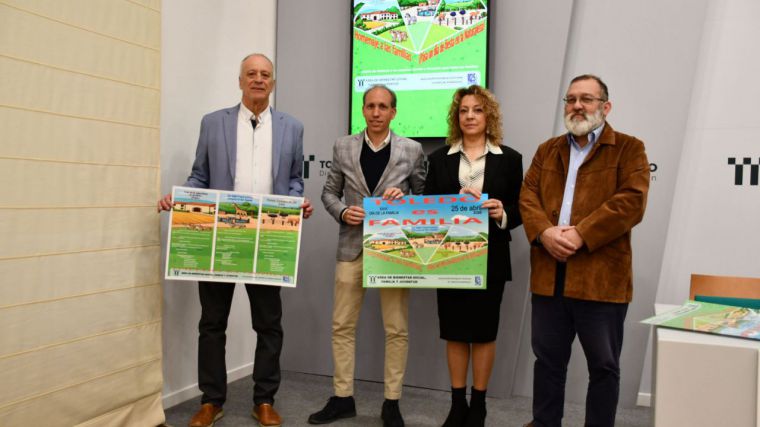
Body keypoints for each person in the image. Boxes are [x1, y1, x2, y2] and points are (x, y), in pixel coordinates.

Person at [157, 53, 313, 427]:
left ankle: (264, 400)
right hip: (220, 236)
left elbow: (295, 178)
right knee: (212, 323)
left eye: (265, 74)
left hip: (268, 238)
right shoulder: (213, 123)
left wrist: (296, 201)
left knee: (269, 324)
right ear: (240, 81)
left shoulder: (292, 127)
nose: (258, 79)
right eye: (251, 74)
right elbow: (200, 175)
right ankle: (212, 401)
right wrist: (180, 198)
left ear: (273, 83)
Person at [519, 74, 649, 427]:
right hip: (550, 275)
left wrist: (581, 234)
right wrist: (544, 232)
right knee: (547, 362)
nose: (577, 106)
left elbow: (632, 201)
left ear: (605, 107)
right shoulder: (547, 150)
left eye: (587, 99)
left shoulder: (629, 148)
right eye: (571, 99)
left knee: (604, 367)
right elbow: (527, 196)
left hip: (601, 280)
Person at [310, 85, 425, 427]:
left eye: (383, 106)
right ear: (363, 110)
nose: (376, 112)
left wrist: (406, 201)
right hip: (352, 246)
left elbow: (424, 198)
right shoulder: (343, 146)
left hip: (394, 248)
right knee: (342, 325)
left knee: (396, 328)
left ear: (393, 112)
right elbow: (329, 193)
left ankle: (392, 402)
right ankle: (343, 397)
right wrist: (343, 212)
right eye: (370, 106)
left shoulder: (412, 149)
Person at [424, 85, 523, 427]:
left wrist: (500, 212)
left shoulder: (510, 158)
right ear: (457, 117)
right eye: (464, 110)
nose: (470, 116)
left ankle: (478, 406)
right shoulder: (439, 159)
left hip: (491, 257)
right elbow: (427, 208)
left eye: (477, 110)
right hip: (448, 255)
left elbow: (521, 208)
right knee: (454, 332)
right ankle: (457, 405)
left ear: (488, 115)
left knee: (483, 333)